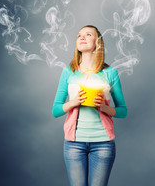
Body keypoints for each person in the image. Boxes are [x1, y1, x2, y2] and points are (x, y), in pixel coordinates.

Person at [52, 25, 127, 186]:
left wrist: (104, 107)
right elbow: (55, 110)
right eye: (79, 35)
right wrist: (73, 102)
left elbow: (123, 111)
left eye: (88, 34)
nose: (82, 38)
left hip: (103, 144)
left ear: (98, 43)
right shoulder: (68, 72)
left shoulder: (110, 73)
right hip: (73, 144)